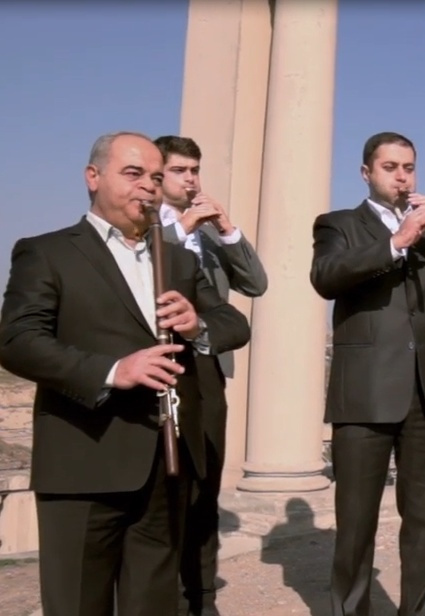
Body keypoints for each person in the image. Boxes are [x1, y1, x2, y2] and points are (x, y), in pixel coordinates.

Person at [0, 131, 251, 616]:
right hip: (84, 463)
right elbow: (18, 341)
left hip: (166, 467)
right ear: (92, 177)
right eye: (133, 174)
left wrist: (197, 325)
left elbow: (233, 324)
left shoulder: (177, 259)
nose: (148, 187)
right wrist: (114, 370)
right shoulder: (47, 251)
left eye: (155, 177)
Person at [310, 131, 425, 616]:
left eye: (408, 167)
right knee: (356, 522)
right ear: (366, 172)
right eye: (390, 167)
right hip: (364, 394)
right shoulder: (338, 223)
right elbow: (325, 276)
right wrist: (395, 243)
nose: (402, 177)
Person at [152, 135, 268, 616]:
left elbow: (255, 284)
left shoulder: (207, 237)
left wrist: (225, 229)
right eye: (180, 170)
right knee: (164, 490)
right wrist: (180, 229)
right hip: (157, 368)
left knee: (205, 485)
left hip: (207, 365)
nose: (191, 179)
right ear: (158, 176)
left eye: (195, 170)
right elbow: (144, 270)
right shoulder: (147, 226)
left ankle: (201, 597)